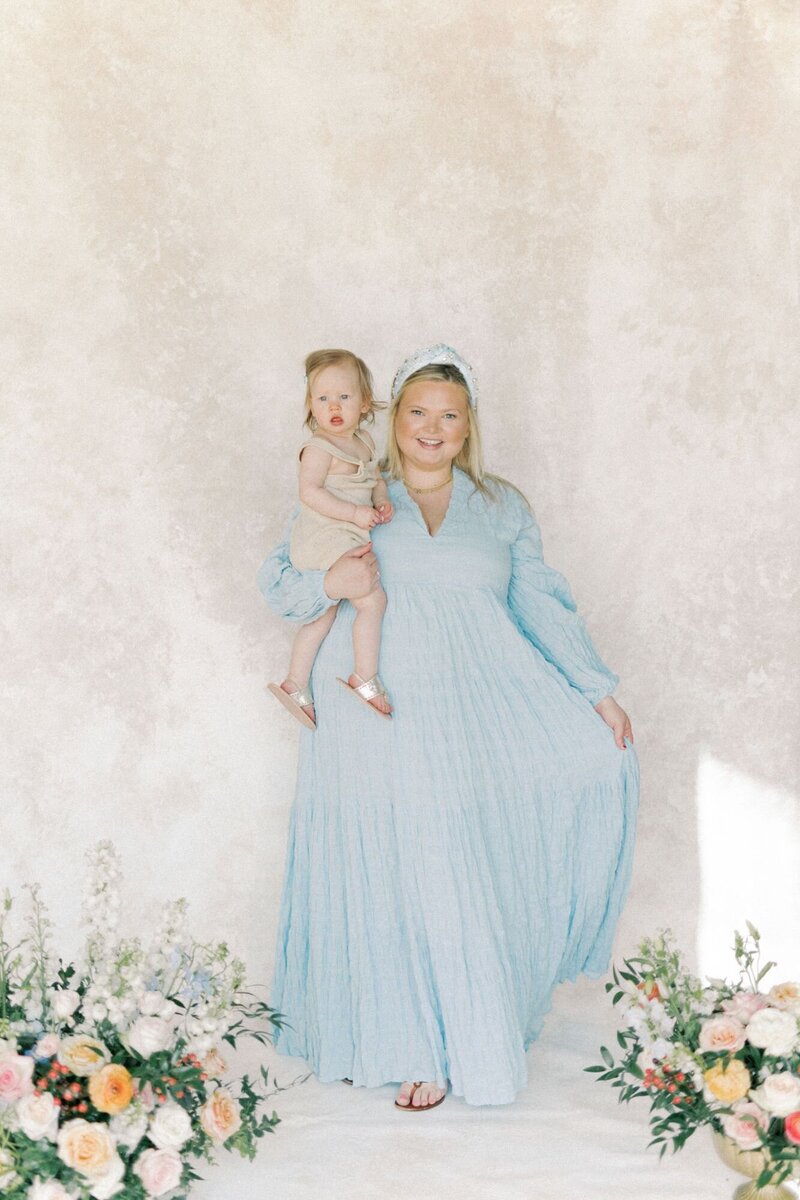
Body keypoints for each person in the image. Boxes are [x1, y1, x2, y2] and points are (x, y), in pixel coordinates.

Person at [258, 344, 639, 1111]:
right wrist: (330, 580)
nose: (432, 428)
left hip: (471, 714)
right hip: (372, 712)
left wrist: (597, 694)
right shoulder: (353, 487)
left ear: (469, 427)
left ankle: (467, 1023)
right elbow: (285, 579)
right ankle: (416, 1044)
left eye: (450, 415)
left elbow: (539, 605)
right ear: (389, 418)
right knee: (400, 865)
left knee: (461, 858)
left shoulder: (500, 506)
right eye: (417, 412)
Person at [268, 348, 394, 729]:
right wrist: (356, 513)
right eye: (323, 399)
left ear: (364, 402)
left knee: (326, 614)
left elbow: (374, 478)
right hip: (323, 536)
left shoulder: (365, 443)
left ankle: (295, 683)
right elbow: (310, 493)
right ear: (311, 405)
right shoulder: (319, 448)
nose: (333, 406)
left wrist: (381, 500)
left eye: (344, 397)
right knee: (372, 599)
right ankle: (364, 677)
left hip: (342, 535)